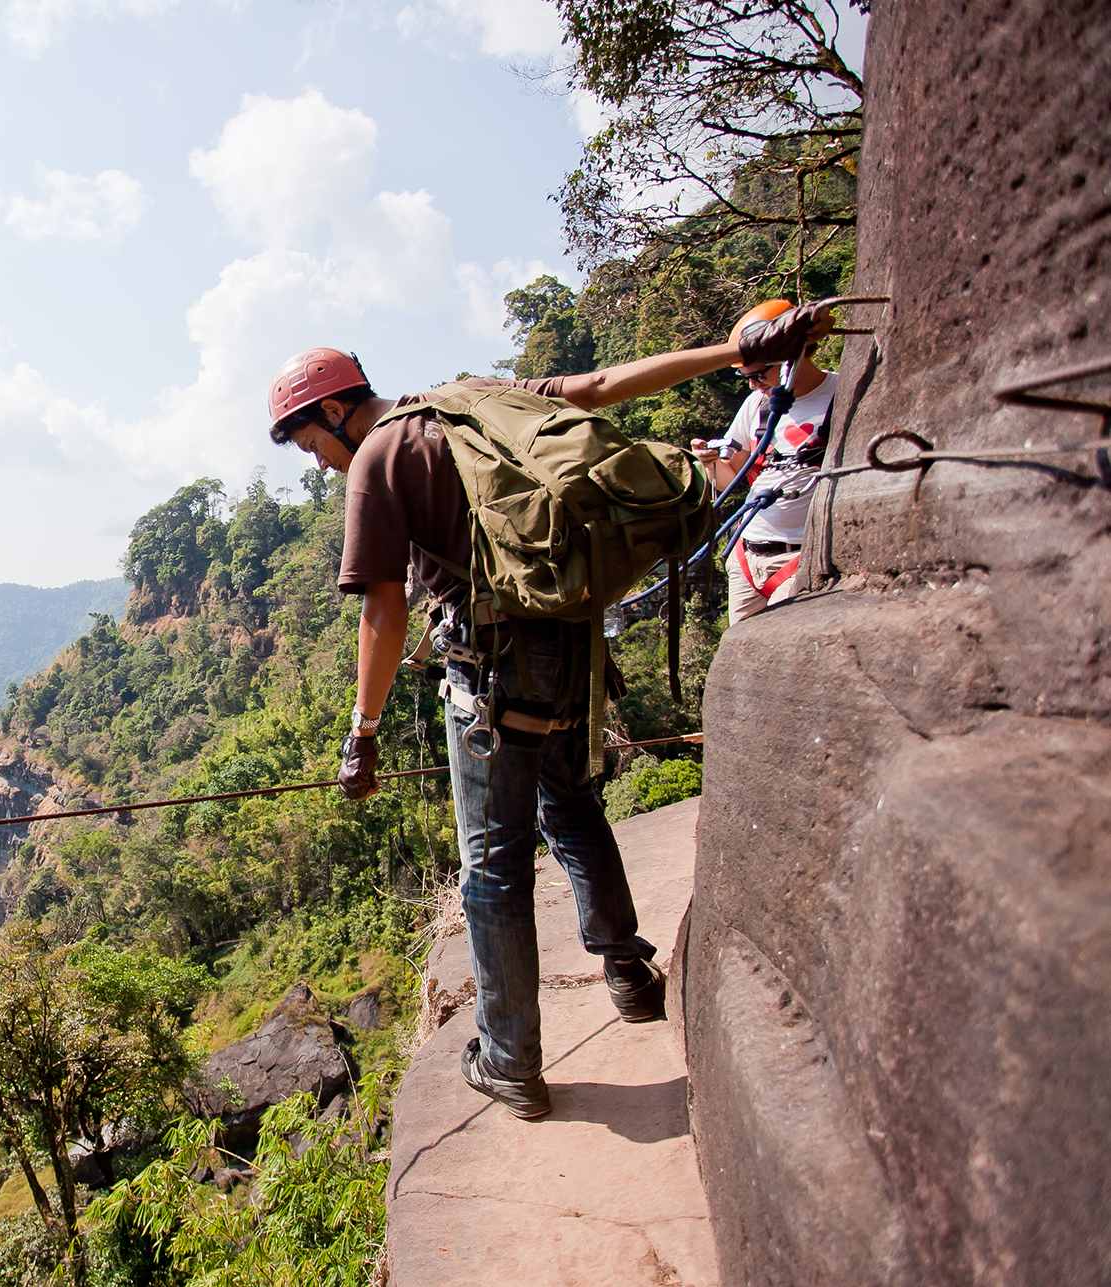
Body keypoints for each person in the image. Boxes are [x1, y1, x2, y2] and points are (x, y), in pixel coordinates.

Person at [264, 302, 835, 1119]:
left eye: (311, 443)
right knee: (570, 806)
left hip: (490, 674)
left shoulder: (376, 462)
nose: (319, 463)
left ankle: (511, 1060)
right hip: (572, 645)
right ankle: (629, 973)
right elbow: (602, 387)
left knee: (491, 866)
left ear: (330, 411)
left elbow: (382, 614)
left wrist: (363, 731)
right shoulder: (470, 400)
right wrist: (734, 348)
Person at [690, 300, 838, 621]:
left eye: (759, 375)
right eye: (747, 377)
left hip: (799, 557)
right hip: (748, 554)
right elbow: (733, 481)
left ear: (792, 357)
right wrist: (709, 461)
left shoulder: (839, 394)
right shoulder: (757, 405)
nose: (753, 385)